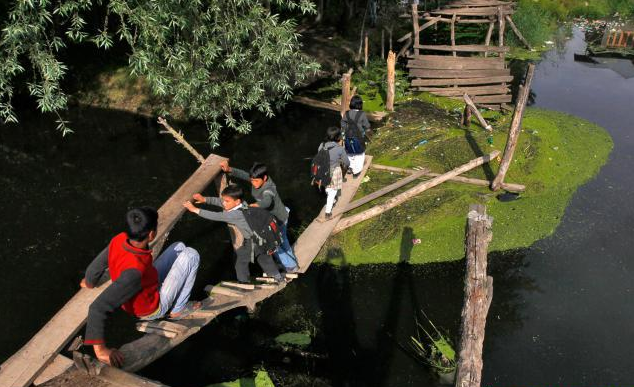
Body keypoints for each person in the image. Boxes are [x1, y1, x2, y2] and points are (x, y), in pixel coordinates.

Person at [80, 207, 201, 367]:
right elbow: (97, 308)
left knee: (179, 246)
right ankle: (178, 309)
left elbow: (97, 265)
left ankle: (173, 298)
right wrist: (101, 350)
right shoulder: (134, 272)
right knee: (191, 254)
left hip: (147, 284)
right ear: (151, 234)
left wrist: (89, 281)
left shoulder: (120, 238)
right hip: (151, 308)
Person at [183, 184, 284, 283]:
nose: (224, 203)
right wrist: (205, 199)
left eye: (227, 201)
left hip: (253, 242)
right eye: (224, 201)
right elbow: (221, 202)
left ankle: (244, 282)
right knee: (264, 258)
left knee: (240, 262)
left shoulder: (234, 214)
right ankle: (277, 276)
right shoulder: (244, 204)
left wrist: (194, 210)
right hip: (262, 239)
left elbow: (215, 216)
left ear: (237, 202)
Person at [220, 161, 299, 273]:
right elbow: (244, 175)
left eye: (256, 181)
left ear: (265, 178)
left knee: (274, 245)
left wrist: (256, 205)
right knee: (283, 240)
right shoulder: (258, 178)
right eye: (252, 180)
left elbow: (267, 201)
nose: (253, 183)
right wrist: (229, 169)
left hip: (278, 220)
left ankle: (291, 266)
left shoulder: (269, 189)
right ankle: (290, 261)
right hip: (279, 215)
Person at [320, 126, 350, 219]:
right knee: (333, 192)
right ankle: (328, 212)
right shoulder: (339, 148)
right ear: (338, 137)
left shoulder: (321, 145)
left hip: (323, 170)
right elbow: (347, 162)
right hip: (333, 172)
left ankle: (329, 195)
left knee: (328, 188)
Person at [341, 95, 371, 178]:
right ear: (360, 104)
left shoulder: (346, 113)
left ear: (351, 104)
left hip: (348, 137)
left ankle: (350, 168)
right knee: (359, 154)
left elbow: (342, 125)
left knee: (349, 152)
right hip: (359, 138)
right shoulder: (362, 114)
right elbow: (367, 126)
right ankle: (356, 171)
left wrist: (343, 135)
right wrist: (367, 131)